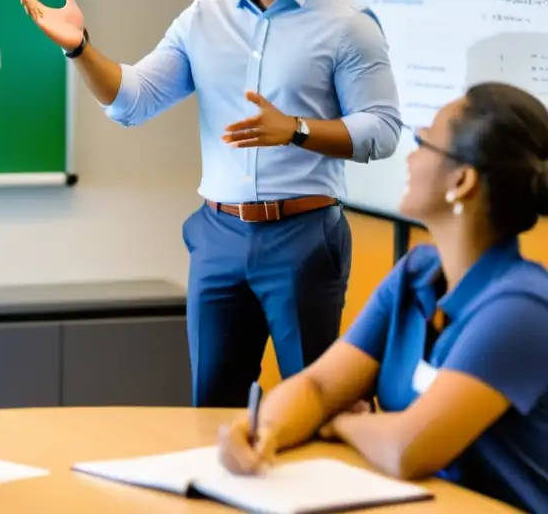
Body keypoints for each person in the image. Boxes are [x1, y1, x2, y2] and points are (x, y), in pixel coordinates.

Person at [18, 0, 401, 407]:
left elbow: (382, 130)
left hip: (304, 236)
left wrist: (294, 130)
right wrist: (80, 47)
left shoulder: (346, 24)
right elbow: (133, 101)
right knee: (211, 407)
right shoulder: (203, 18)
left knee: (316, 406)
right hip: (217, 236)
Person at [216, 82, 548, 513]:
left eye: (423, 141)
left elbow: (409, 447)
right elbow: (319, 387)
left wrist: (341, 423)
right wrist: (267, 429)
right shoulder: (415, 275)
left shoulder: (521, 309)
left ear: (462, 181)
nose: (409, 156)